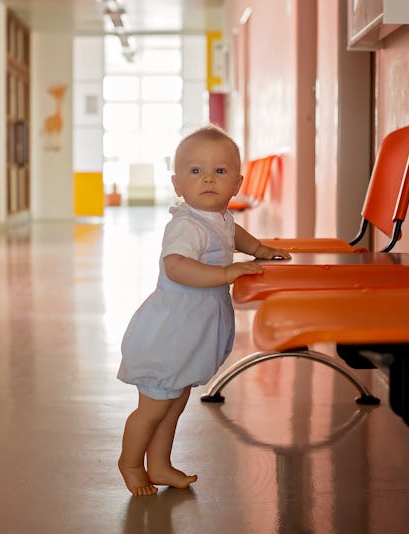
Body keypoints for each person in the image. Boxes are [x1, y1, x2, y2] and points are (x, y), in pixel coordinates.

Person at [117, 126, 291, 496]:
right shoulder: (186, 225)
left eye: (220, 171)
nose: (208, 178)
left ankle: (160, 465)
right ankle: (131, 464)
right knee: (153, 406)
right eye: (195, 171)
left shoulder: (220, 217)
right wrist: (226, 273)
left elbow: (233, 233)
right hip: (171, 331)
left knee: (175, 403)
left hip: (191, 330)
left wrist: (259, 249)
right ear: (177, 183)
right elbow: (176, 267)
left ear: (237, 183)